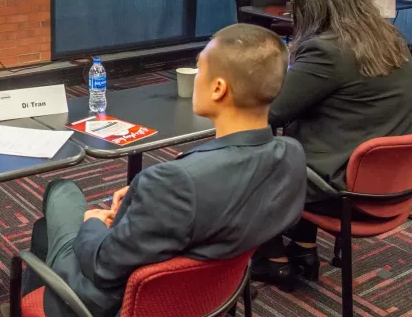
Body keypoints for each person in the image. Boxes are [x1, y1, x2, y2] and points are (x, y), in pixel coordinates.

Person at [21, 24, 307, 317]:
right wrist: (142, 199)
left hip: (108, 303)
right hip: (209, 296)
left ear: (219, 88)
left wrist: (92, 222)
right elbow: (226, 197)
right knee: (45, 231)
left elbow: (102, 267)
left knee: (62, 191)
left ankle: (51, 301)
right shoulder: (292, 156)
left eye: (199, 69)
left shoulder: (175, 184)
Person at [256, 0, 412, 290]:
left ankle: (273, 260)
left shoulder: (327, 50)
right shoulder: (391, 38)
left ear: (314, 11)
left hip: (346, 189)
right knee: (305, 134)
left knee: (257, 151)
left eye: (298, 9)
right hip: (393, 180)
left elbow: (272, 112)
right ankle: (303, 250)